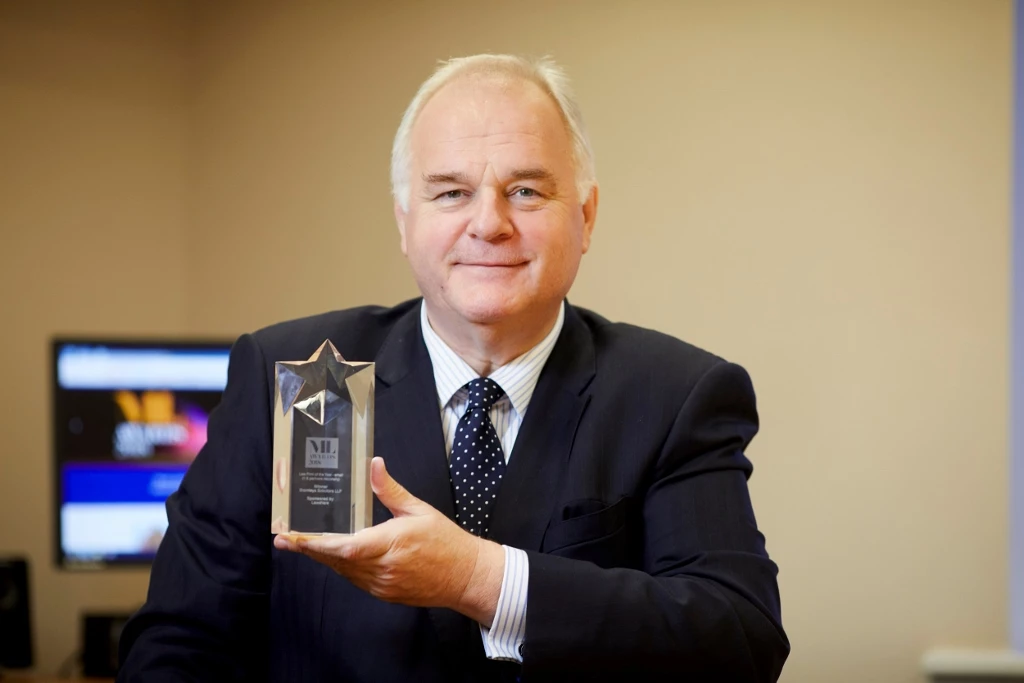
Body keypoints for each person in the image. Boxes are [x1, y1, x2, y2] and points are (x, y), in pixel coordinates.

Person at [118, 54, 789, 682]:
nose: (489, 223)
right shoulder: (290, 374)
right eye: (450, 193)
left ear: (584, 217)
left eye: (526, 190)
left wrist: (479, 577)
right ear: (405, 221)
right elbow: (179, 643)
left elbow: (740, 638)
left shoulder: (675, 395)